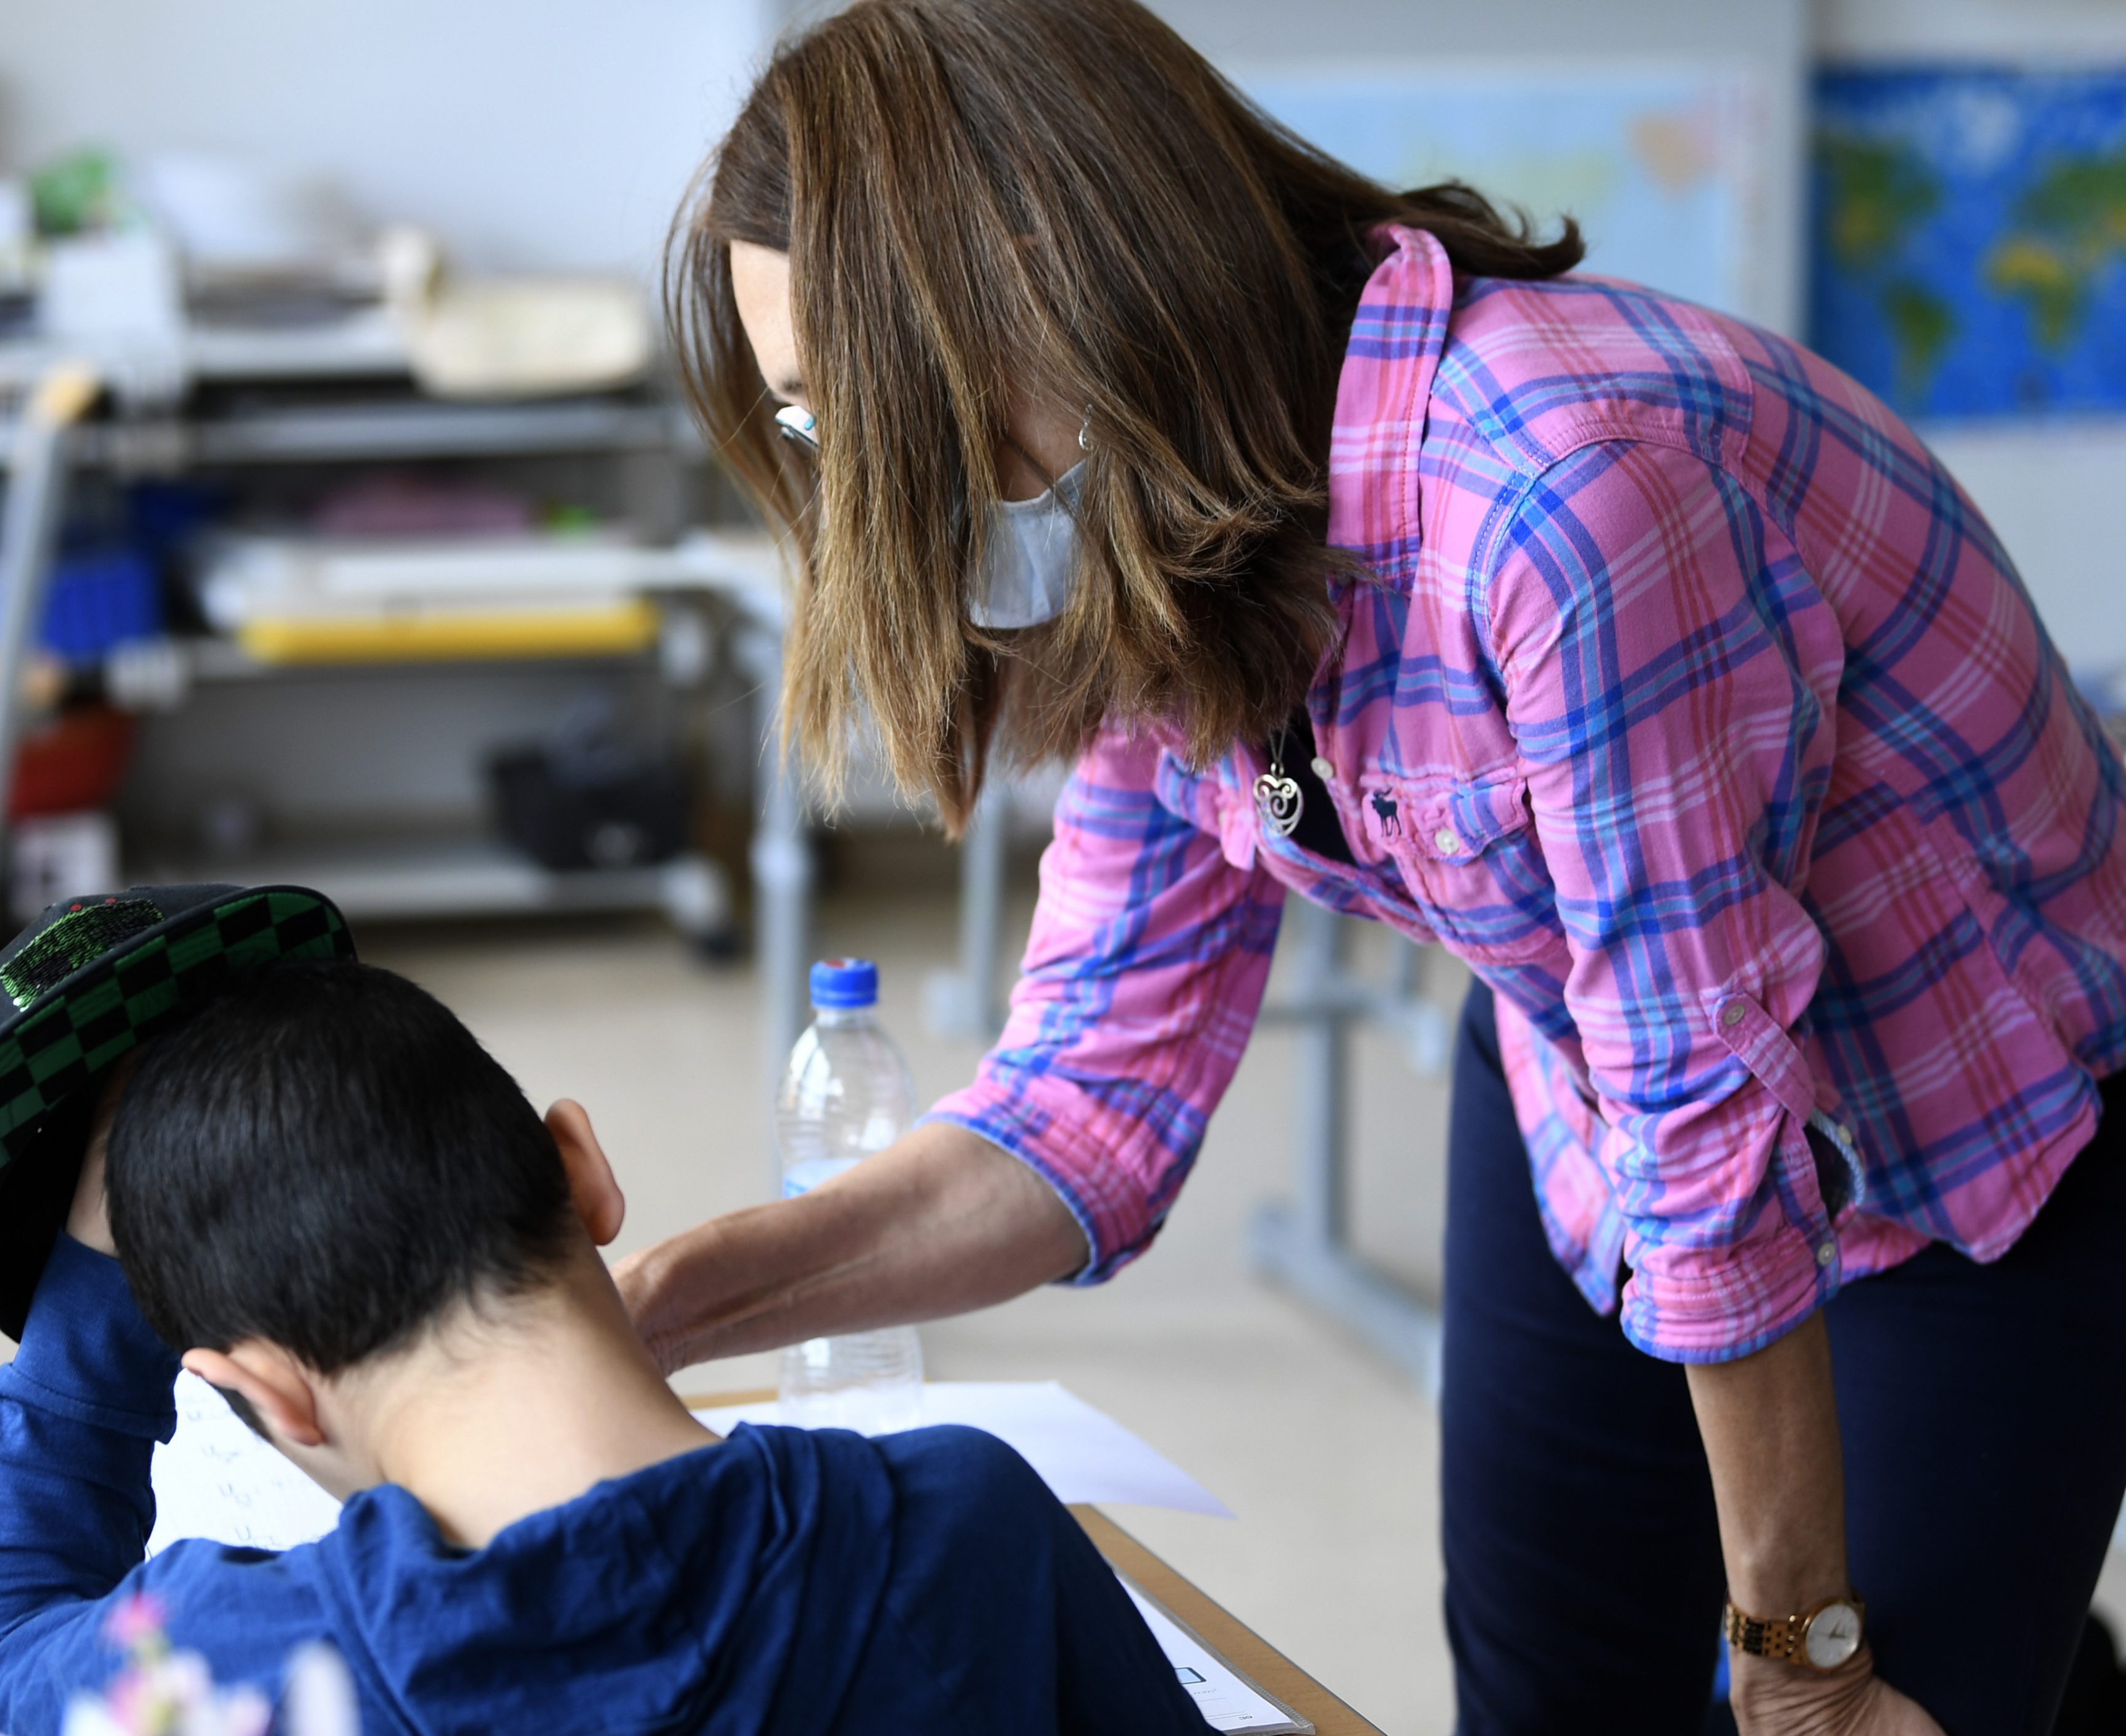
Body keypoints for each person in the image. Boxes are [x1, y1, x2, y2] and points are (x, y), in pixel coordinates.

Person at [621, 2, 2126, 1731]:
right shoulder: (1151, 517)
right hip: (1586, 1079)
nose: (863, 484)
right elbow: (1083, 1104)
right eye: (812, 425)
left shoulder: (1561, 493)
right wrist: (658, 1304)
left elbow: (1712, 1111)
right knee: (1549, 1690)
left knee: (1861, 1699)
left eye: (866, 405)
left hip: (1963, 1143)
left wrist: (1805, 1660)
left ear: (1050, 281)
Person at [0, 912, 1206, 1734]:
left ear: (268, 1393)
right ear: (582, 1166)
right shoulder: (963, 1527)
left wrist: (100, 1280)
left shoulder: (248, 1664)